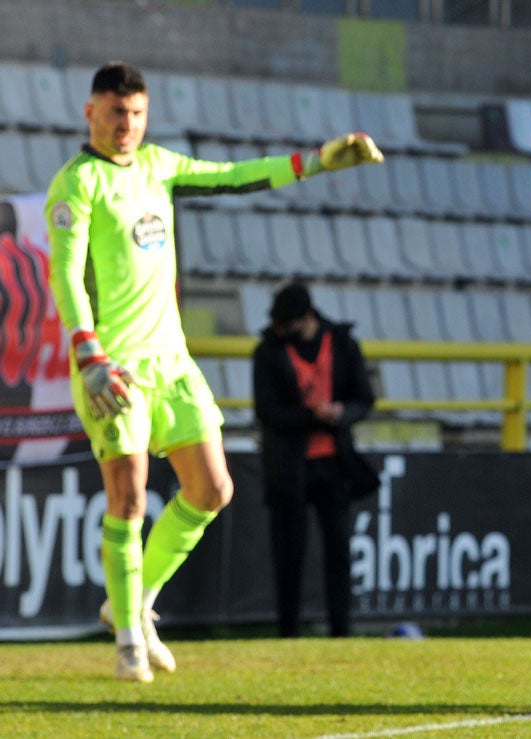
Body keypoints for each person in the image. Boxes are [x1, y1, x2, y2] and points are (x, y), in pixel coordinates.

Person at [46, 61, 384, 682]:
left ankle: (133, 602)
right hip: (111, 366)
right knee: (126, 500)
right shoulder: (76, 184)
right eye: (117, 113)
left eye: (138, 113)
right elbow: (65, 275)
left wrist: (317, 162)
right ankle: (126, 640)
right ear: (90, 112)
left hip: (171, 362)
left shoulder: (159, 167)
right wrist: (88, 352)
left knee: (212, 490)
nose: (128, 125)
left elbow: (236, 176)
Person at [252, 282, 377, 638]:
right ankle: (287, 631)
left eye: (288, 324)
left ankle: (342, 631)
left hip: (334, 463)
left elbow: (364, 398)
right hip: (288, 466)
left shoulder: (341, 343)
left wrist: (340, 413)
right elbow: (267, 410)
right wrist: (313, 416)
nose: (282, 332)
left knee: (338, 550)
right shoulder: (267, 352)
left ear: (307, 318)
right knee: (289, 553)